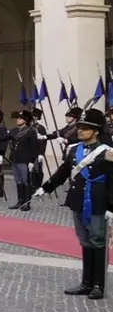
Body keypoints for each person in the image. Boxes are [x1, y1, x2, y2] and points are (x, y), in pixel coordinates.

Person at [35, 108, 112, 301]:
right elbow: (62, 173)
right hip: (78, 201)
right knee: (85, 242)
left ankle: (98, 285)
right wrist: (46, 188)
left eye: (85, 128)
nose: (80, 131)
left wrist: (112, 207)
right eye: (79, 127)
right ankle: (86, 283)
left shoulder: (107, 153)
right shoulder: (73, 150)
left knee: (98, 242)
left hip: (98, 203)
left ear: (95, 131)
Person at [2, 109, 39, 211]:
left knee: (26, 182)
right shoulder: (14, 130)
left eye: (20, 118)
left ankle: (27, 203)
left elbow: (34, 147)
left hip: (25, 160)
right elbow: (3, 137)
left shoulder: (31, 131)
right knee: (18, 181)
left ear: (25, 120)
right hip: (15, 159)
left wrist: (32, 161)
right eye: (17, 118)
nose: (17, 120)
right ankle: (20, 201)